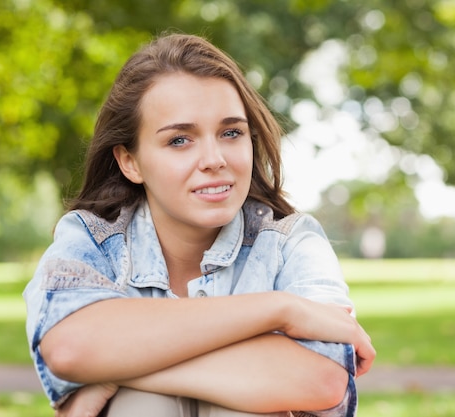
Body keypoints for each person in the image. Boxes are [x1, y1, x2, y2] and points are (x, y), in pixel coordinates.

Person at [23, 32, 375, 417]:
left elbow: (321, 381)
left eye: (230, 133)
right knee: (142, 405)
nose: (214, 158)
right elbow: (70, 349)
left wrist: (114, 371)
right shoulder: (93, 238)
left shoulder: (291, 242)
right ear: (130, 162)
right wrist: (280, 310)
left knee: (245, 409)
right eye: (179, 140)